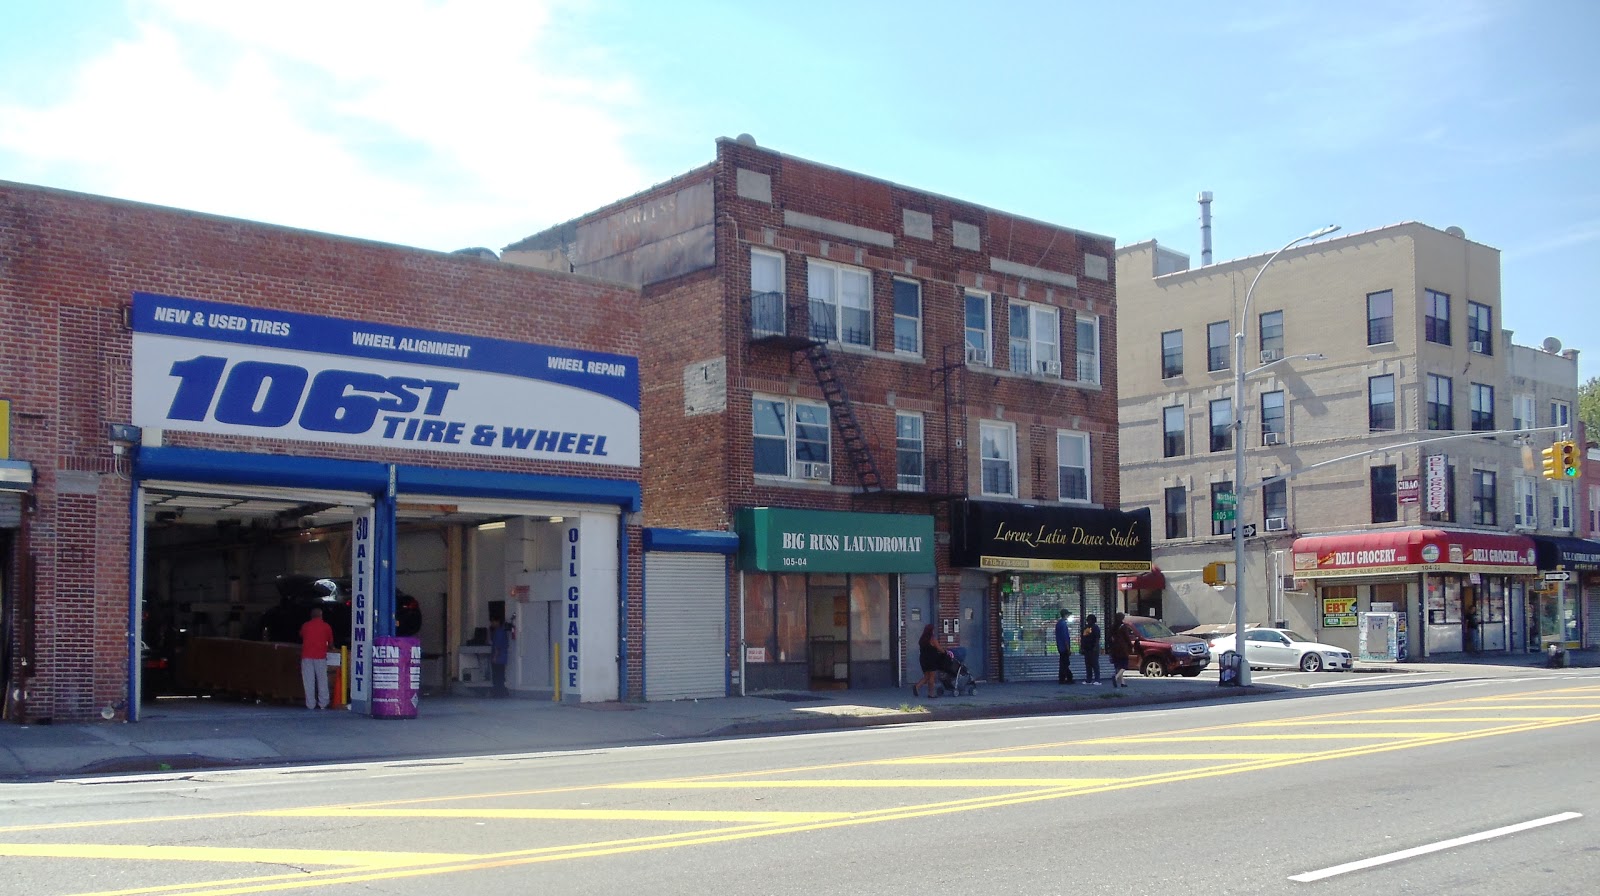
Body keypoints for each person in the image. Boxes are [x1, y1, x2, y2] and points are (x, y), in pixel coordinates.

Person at [298, 606, 334, 710]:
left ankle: (310, 704)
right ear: (321, 615)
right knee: (322, 680)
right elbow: (331, 643)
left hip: (306, 656)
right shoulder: (326, 626)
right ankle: (323, 703)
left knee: (308, 681)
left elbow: (301, 635)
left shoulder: (305, 626)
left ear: (311, 616)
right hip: (320, 656)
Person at [912, 623, 945, 698]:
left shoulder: (922, 639)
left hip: (923, 659)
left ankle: (917, 686)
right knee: (931, 677)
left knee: (926, 676)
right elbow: (939, 648)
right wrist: (945, 652)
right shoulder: (932, 639)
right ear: (931, 630)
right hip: (931, 659)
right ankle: (931, 694)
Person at [1109, 611, 1138, 688]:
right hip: (1122, 648)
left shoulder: (1113, 627)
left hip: (1115, 649)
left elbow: (1111, 638)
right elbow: (1127, 638)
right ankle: (1116, 677)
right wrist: (1131, 647)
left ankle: (1123, 683)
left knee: (1118, 665)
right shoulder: (1123, 627)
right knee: (1124, 665)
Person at [489, 617, 511, 698]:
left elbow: (497, 646)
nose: (491, 624)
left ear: (497, 622)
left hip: (498, 658)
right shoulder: (503, 632)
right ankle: (501, 692)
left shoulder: (498, 632)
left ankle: (498, 692)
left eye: (493, 622)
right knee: (501, 675)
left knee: (497, 676)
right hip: (503, 658)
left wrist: (495, 657)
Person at [1054, 610, 1076, 684]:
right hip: (1064, 647)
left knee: (1062, 663)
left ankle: (1062, 678)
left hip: (1060, 646)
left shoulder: (1058, 624)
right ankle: (1068, 677)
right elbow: (1065, 638)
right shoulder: (1063, 624)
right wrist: (1068, 648)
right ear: (1065, 615)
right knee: (1065, 663)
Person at [1081, 614, 1102, 685]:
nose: (1088, 621)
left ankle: (1097, 679)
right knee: (1088, 664)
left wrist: (1095, 647)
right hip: (1087, 648)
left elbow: (1097, 638)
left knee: (1095, 664)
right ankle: (1089, 679)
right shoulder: (1086, 628)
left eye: (1089, 620)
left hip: (1093, 648)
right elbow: (1083, 638)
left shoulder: (1095, 628)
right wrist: (1083, 647)